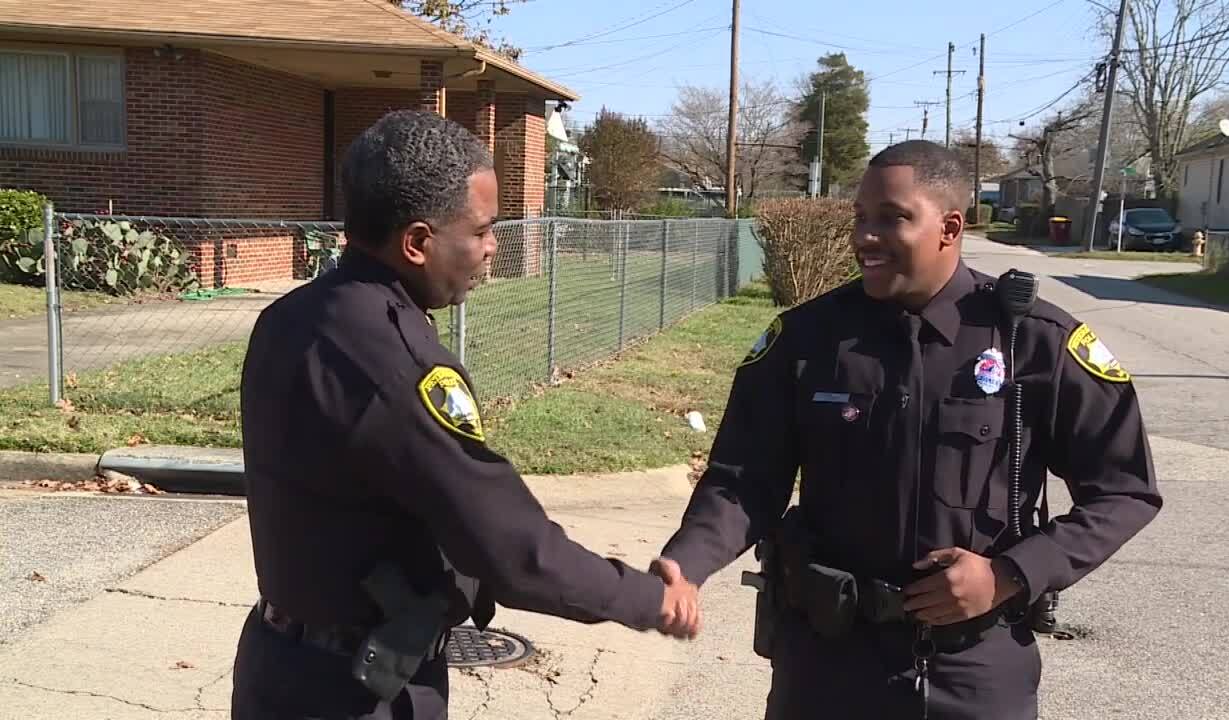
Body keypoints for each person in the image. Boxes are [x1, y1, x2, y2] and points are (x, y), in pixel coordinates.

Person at [656, 140, 1162, 719]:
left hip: (973, 670)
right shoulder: (807, 339)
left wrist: (1010, 575)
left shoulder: (1032, 342)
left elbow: (1125, 491)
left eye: (892, 218)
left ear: (950, 228)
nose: (865, 237)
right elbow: (743, 480)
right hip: (827, 664)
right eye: (860, 218)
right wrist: (686, 564)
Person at [230, 110, 700, 720]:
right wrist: (650, 599)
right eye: (481, 230)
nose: (491, 248)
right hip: (357, 693)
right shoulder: (402, 367)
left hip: (275, 666)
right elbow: (513, 550)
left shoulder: (289, 318)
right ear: (417, 243)